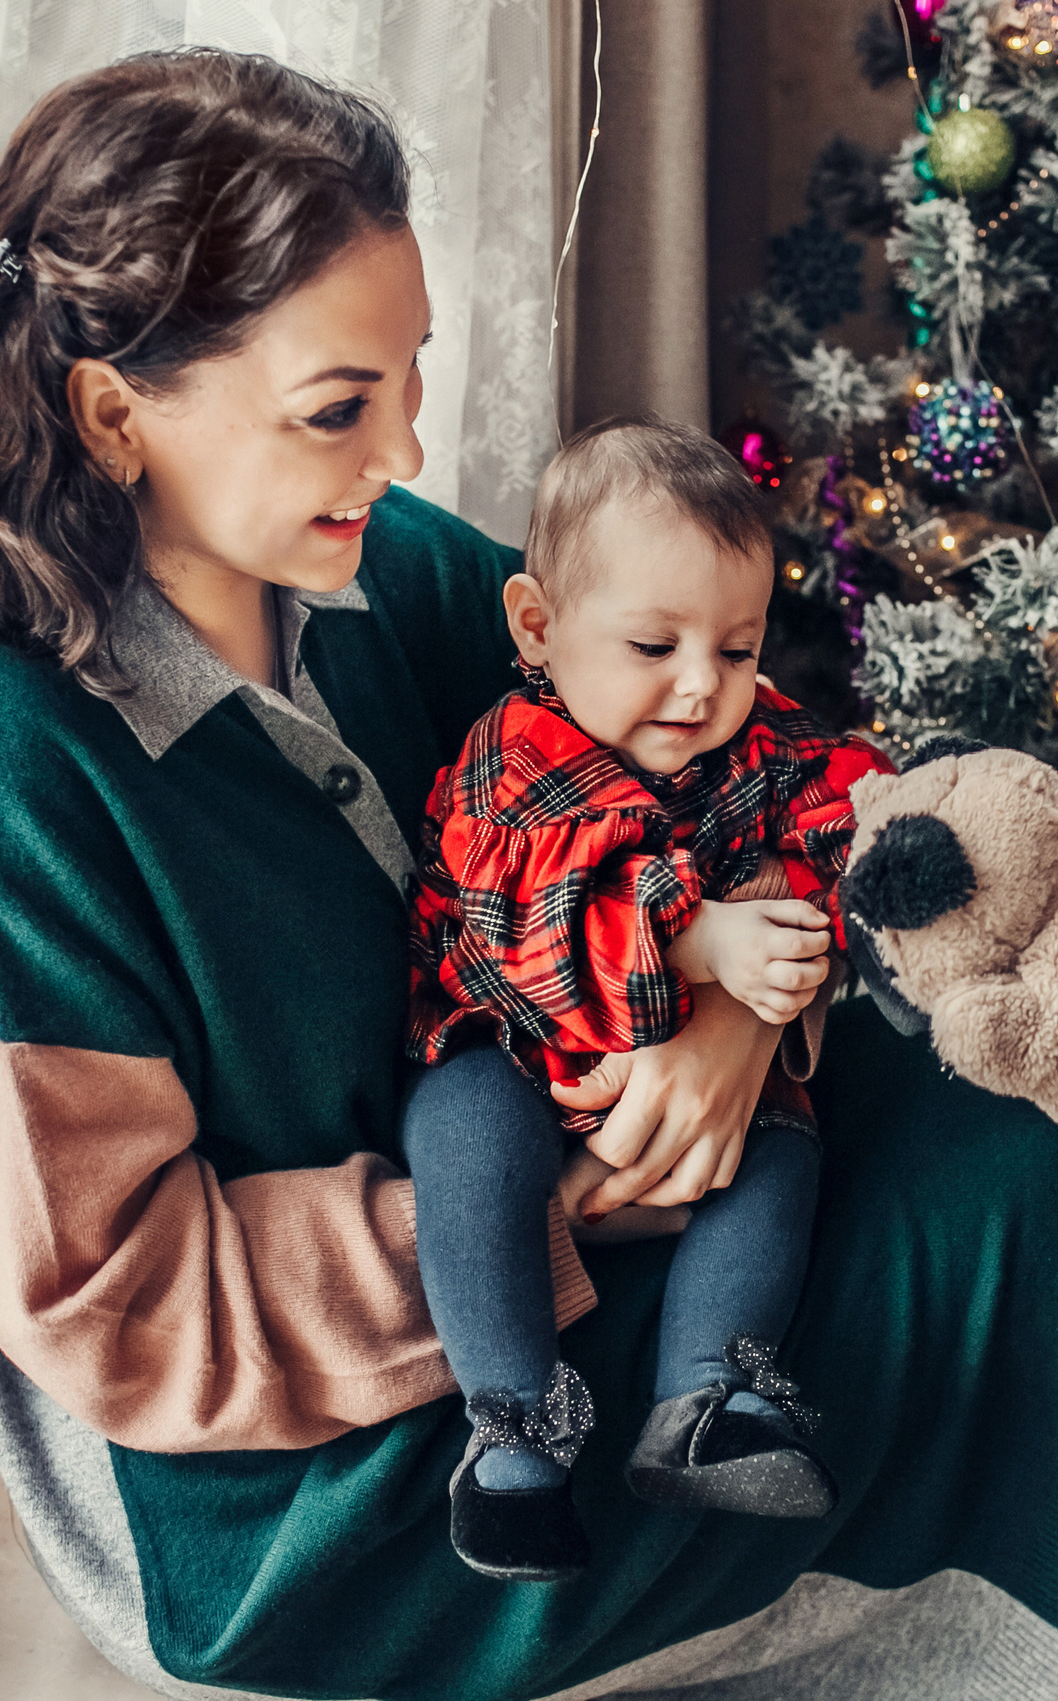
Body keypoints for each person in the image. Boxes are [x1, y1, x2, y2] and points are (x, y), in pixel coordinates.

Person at [0, 47, 1058, 1701]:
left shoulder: (377, 569)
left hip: (570, 1193)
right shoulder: (8, 751)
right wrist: (569, 1204)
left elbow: (737, 760)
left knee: (973, 1094)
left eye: (409, 382)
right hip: (332, 1472)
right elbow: (131, 1314)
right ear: (113, 413)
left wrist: (741, 1025)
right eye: (336, 409)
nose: (399, 459)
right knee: (982, 1221)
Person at [405, 419, 894, 1578]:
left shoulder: (751, 735)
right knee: (461, 1141)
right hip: (513, 1050)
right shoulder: (515, 757)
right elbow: (523, 924)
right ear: (538, 625)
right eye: (652, 644)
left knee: (780, 1153)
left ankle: (708, 1401)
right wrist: (694, 938)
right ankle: (513, 1432)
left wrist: (882, 834)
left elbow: (834, 805)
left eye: (736, 649)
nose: (699, 686)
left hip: (689, 1070)